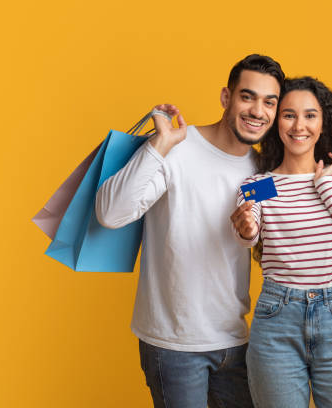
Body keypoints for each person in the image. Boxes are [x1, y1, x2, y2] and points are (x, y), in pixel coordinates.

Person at [94, 54, 284, 408]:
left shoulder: (262, 172)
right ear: (226, 97)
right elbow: (110, 213)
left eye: (269, 102)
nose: (258, 110)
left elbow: (265, 236)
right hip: (174, 346)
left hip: (236, 342)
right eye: (248, 96)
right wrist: (160, 143)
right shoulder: (177, 149)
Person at [231, 76, 332, 408]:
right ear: (276, 122)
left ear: (323, 122)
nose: (299, 126)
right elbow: (250, 231)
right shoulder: (263, 184)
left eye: (310, 115)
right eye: (289, 115)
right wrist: (244, 229)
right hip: (276, 320)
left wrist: (325, 186)